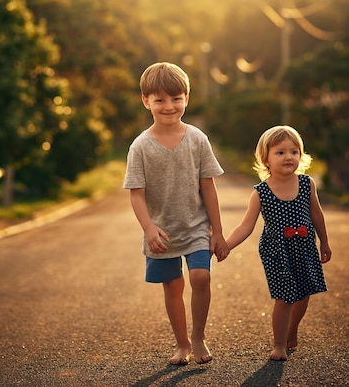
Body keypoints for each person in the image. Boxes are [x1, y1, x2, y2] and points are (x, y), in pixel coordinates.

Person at [123, 62, 229, 366]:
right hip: (162, 233)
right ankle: (182, 344)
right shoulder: (140, 147)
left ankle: (198, 337)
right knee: (173, 287)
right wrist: (148, 228)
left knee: (200, 276)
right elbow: (136, 194)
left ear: (187, 97)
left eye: (176, 98)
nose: (169, 106)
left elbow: (208, 188)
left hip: (196, 226)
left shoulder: (197, 139)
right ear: (146, 101)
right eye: (159, 100)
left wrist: (217, 231)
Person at [226, 125, 332, 361]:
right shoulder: (261, 192)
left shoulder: (307, 184)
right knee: (284, 297)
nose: (288, 157)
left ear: (301, 155)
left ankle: (292, 328)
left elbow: (316, 214)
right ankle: (279, 344)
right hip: (277, 252)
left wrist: (324, 242)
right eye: (280, 152)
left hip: (305, 248)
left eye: (294, 151)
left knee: (304, 294)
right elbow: (245, 225)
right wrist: (226, 245)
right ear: (266, 158)